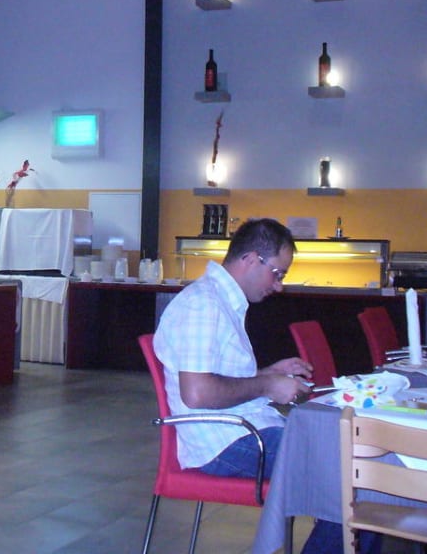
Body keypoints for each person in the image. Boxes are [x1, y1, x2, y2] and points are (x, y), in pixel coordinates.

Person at [153, 217, 376, 554]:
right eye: (277, 273)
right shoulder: (203, 304)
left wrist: (268, 373)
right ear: (250, 259)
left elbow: (216, 374)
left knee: (354, 460)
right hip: (227, 444)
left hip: (245, 429)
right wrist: (267, 385)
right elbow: (197, 393)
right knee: (355, 475)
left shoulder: (220, 301)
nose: (279, 286)